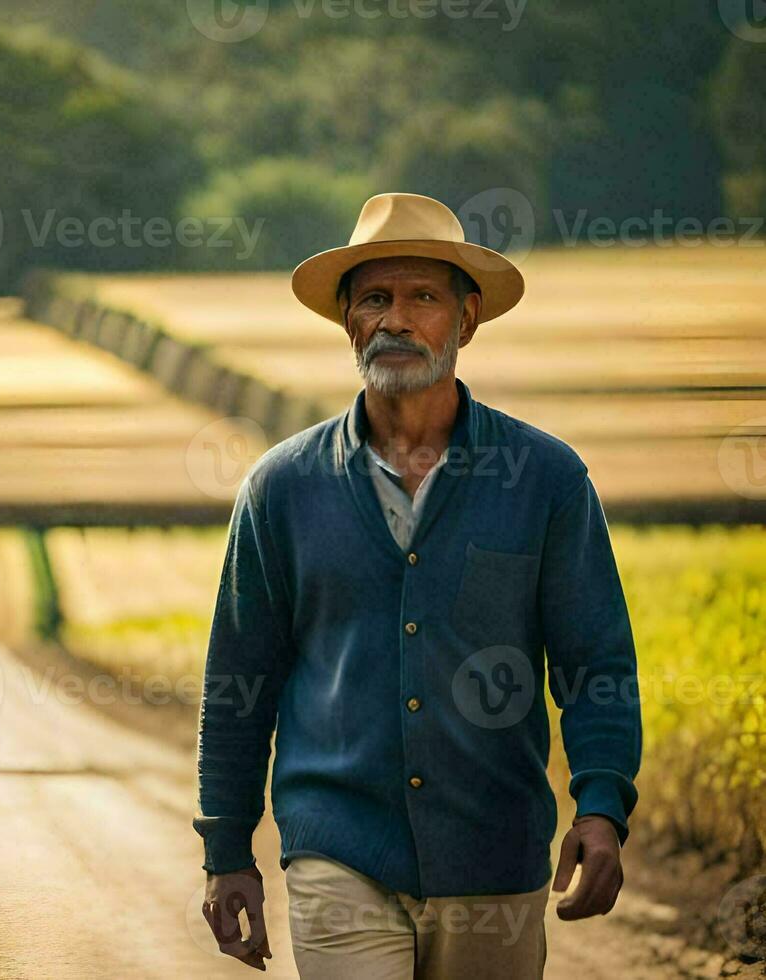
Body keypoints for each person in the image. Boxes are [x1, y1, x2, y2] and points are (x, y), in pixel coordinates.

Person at [194, 193, 642, 977]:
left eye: (422, 298)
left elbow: (595, 661)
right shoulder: (283, 487)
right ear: (348, 324)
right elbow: (239, 679)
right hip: (336, 848)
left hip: (496, 856)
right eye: (375, 298)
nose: (396, 320)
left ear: (466, 321)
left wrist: (602, 805)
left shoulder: (545, 479)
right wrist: (227, 849)